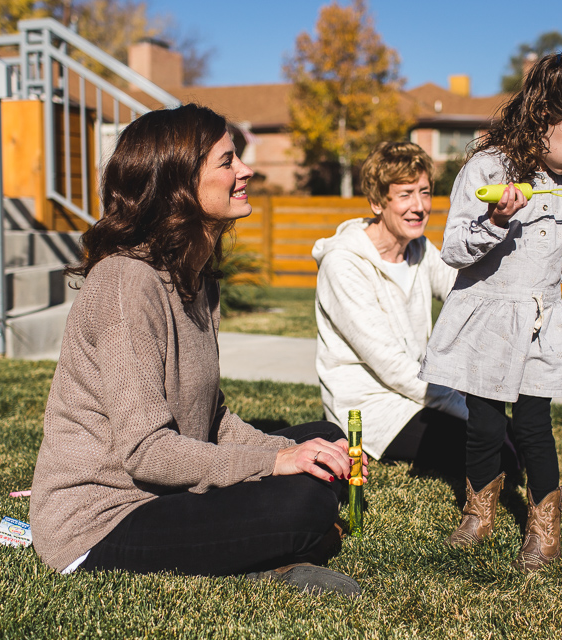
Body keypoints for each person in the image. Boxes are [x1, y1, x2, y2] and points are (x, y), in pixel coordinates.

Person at [29, 104, 365, 597]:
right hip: (103, 520)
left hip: (165, 489)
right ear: (179, 183)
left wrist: (292, 451)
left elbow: (212, 420)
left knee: (326, 438)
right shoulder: (127, 282)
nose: (246, 171)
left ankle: (248, 547)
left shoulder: (195, 278)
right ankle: (262, 552)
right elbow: (146, 453)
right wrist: (275, 465)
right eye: (228, 161)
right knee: (304, 505)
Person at [419, 52, 562, 571]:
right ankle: (480, 510)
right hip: (488, 318)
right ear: (543, 117)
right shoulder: (487, 169)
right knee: (485, 425)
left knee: (534, 426)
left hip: (539, 321)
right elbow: (454, 250)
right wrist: (495, 220)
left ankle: (543, 523)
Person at [312, 141, 468, 474]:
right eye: (405, 194)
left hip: (416, 392)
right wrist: (460, 403)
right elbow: (391, 365)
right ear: (377, 202)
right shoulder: (343, 264)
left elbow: (464, 293)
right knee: (484, 445)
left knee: (500, 437)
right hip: (371, 407)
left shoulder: (420, 248)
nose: (419, 206)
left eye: (425, 192)